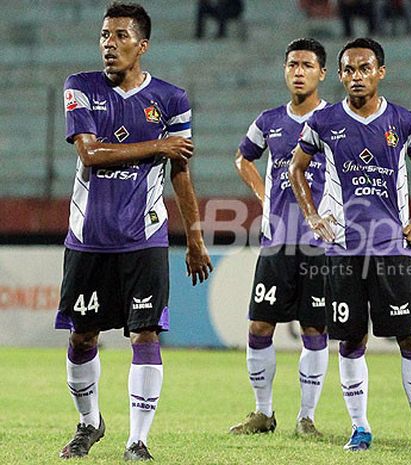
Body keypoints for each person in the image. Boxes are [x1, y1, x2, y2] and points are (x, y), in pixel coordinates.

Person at [55, 2, 213, 460]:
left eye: (121, 36)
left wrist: (196, 239)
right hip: (88, 239)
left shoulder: (171, 99)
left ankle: (137, 440)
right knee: (82, 337)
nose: (109, 44)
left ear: (141, 46)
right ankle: (89, 424)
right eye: (105, 35)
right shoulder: (79, 87)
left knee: (145, 335)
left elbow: (180, 173)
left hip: (144, 238)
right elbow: (90, 154)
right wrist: (158, 145)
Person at [288, 37, 411, 452]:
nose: (356, 77)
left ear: (381, 72)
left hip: (393, 249)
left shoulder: (405, 121)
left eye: (364, 69)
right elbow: (296, 170)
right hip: (343, 250)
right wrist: (312, 216)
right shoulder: (322, 124)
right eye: (349, 70)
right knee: (351, 340)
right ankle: (360, 428)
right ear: (339, 75)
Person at [228, 38, 329, 437]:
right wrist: (263, 193)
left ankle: (306, 418)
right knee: (259, 327)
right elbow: (243, 157)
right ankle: (263, 412)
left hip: (321, 245)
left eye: (306, 65)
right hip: (277, 241)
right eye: (292, 64)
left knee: (315, 330)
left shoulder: (335, 120)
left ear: (322, 73)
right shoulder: (269, 121)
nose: (298, 71)